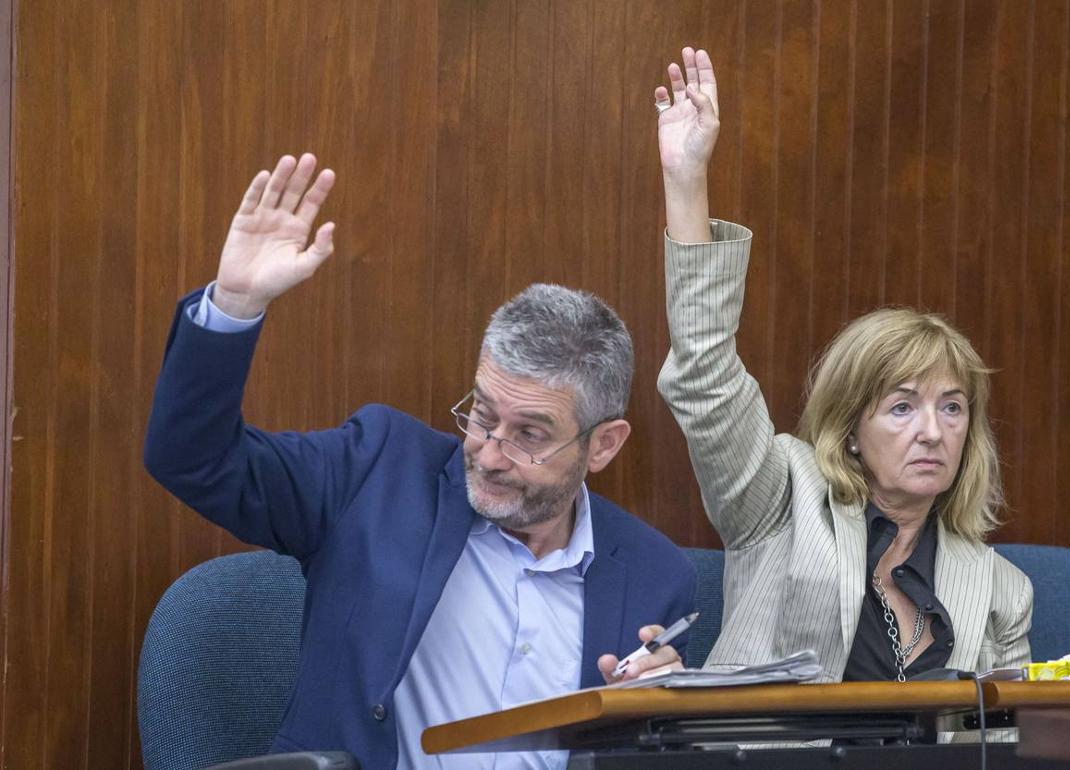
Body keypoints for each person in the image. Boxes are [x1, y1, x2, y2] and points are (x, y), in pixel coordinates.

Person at [143, 153, 696, 769]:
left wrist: (653, 728)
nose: (488, 453)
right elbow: (192, 459)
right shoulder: (377, 472)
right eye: (483, 415)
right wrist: (234, 306)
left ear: (604, 444)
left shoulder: (653, 575)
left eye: (529, 435)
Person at [652, 49, 1031, 683]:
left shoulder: (1002, 590)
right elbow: (705, 376)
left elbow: (1011, 737)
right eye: (903, 406)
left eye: (952, 407)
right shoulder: (779, 499)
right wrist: (685, 182)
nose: (933, 431)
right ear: (851, 427)